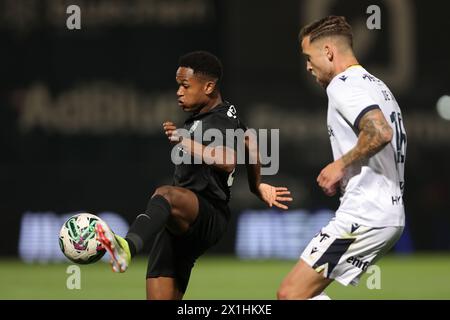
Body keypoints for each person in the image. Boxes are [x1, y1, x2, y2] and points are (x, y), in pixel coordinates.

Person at [95, 51, 292, 300]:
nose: (179, 91)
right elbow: (250, 143)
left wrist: (184, 140)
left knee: (165, 194)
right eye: (178, 84)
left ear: (208, 86)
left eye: (185, 85)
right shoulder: (212, 116)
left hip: (207, 213)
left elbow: (228, 161)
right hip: (180, 223)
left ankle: (128, 246)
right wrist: (257, 185)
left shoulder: (219, 117)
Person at [277, 16, 407, 300]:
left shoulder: (343, 84)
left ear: (328, 52)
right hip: (382, 213)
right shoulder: (377, 85)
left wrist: (340, 164)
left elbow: (380, 132)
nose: (307, 66)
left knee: (291, 294)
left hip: (366, 214)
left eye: (309, 57)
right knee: (302, 294)